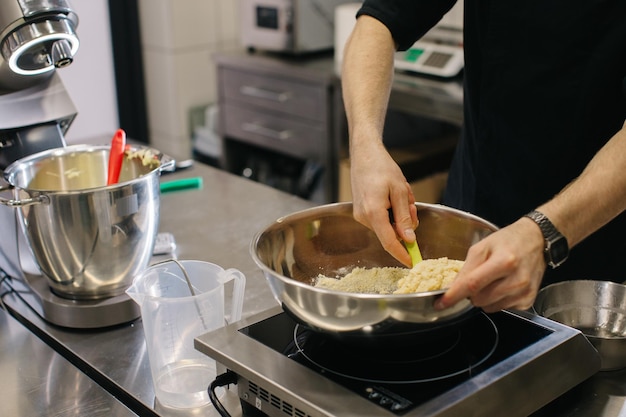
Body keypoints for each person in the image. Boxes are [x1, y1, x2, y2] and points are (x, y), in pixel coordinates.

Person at [342, 0, 626, 313]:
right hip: (474, 213)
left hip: (596, 245)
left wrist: (544, 232)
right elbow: (377, 23)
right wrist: (365, 145)